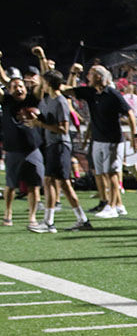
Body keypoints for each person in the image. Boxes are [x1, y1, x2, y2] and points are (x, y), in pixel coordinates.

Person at [63, 64, 136, 219]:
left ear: (98, 76)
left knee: (112, 174)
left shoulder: (113, 94)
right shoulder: (91, 93)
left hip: (113, 140)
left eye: (90, 73)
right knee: (102, 173)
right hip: (98, 139)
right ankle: (117, 205)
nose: (87, 76)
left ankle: (112, 207)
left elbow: (129, 113)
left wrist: (134, 136)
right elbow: (67, 90)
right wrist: (72, 73)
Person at [27, 69, 92, 232]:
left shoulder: (61, 101)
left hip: (60, 145)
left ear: (48, 83)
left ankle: (49, 222)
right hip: (52, 144)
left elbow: (64, 129)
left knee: (50, 181)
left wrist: (41, 125)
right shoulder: (48, 100)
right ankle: (82, 220)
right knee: (64, 185)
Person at [1, 68, 43, 227]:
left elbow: (42, 86)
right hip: (13, 150)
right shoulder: (6, 102)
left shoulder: (32, 100)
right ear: (9, 90)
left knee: (34, 186)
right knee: (11, 186)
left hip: (32, 149)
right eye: (14, 87)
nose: (19, 89)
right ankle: (8, 213)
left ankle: (32, 217)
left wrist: (42, 60)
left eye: (21, 86)